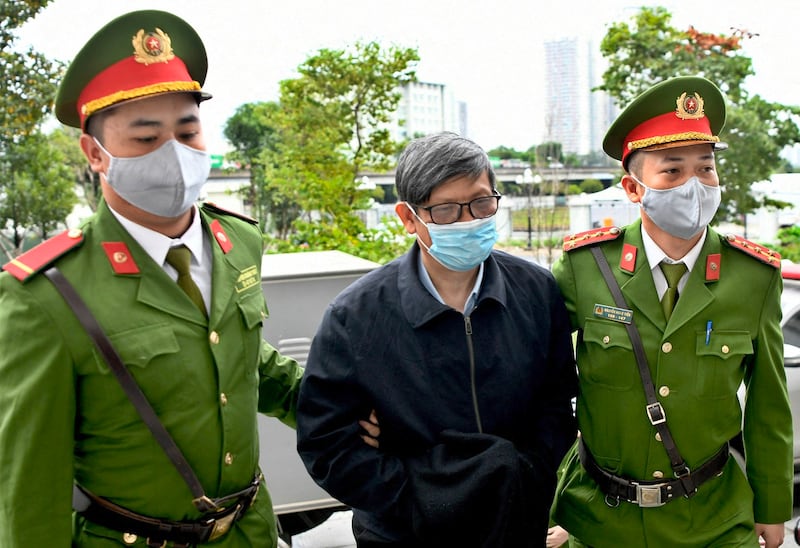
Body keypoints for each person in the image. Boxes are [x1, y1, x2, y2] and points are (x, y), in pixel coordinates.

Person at [0, 10, 305, 547]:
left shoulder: (237, 244)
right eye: (146, 138)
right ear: (95, 153)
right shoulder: (47, 294)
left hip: (251, 532)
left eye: (188, 131)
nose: (176, 154)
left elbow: (241, 359)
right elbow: (29, 488)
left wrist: (342, 408)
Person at [296, 132, 578, 547]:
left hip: (513, 523)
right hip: (405, 533)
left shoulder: (535, 291)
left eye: (482, 203)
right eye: (446, 209)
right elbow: (327, 443)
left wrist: (523, 475)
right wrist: (415, 499)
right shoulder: (356, 316)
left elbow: (558, 404)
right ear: (409, 218)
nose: (469, 221)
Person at [551, 76, 793, 547]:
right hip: (601, 523)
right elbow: (534, 382)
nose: (694, 185)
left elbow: (768, 407)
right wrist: (553, 497)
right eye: (672, 171)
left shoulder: (754, 276)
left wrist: (772, 506)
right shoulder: (585, 268)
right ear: (633, 187)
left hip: (714, 521)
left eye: (705, 168)